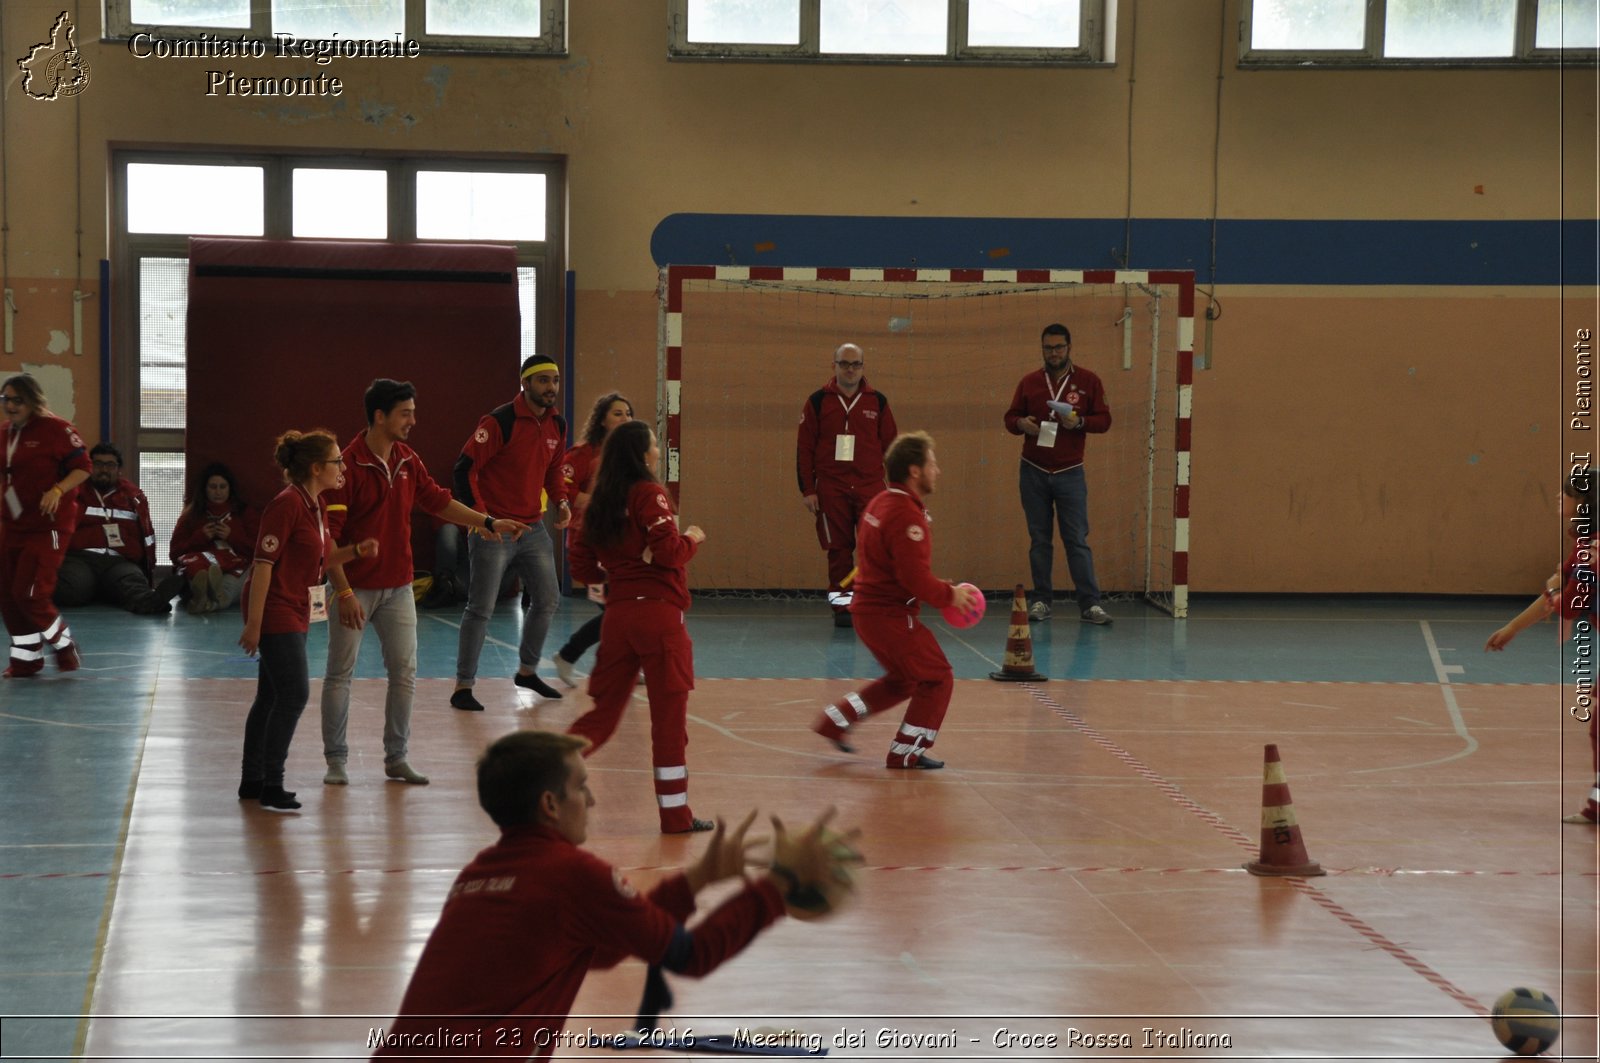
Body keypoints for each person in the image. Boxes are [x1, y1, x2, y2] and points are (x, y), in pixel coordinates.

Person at [370, 730, 856, 1062]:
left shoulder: (479, 875)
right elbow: (692, 956)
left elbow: (597, 954)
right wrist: (778, 889)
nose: (593, 799)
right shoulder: (569, 873)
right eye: (582, 786)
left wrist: (698, 879)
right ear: (550, 804)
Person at [320, 379, 530, 788]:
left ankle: (396, 758)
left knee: (405, 673)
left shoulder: (407, 459)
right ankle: (336, 760)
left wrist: (487, 522)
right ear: (379, 416)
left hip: (399, 588)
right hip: (355, 589)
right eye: (405, 413)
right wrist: (343, 592)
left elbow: (437, 500)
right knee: (339, 673)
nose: (414, 420)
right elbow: (330, 541)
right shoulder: (347, 468)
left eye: (413, 412)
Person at [566, 420, 711, 833]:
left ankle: (543, 772)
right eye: (653, 445)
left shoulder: (597, 501)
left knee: (603, 715)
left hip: (617, 617)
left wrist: (617, 569)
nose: (658, 451)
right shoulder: (649, 493)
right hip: (659, 617)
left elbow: (579, 561)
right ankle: (675, 816)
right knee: (669, 722)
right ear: (641, 454)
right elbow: (667, 552)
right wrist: (693, 539)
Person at [811, 431, 981, 769]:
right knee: (938, 677)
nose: (938, 471)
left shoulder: (881, 501)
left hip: (869, 613)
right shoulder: (906, 515)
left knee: (903, 680)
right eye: (933, 464)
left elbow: (897, 567)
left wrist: (932, 585)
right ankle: (907, 751)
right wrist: (950, 595)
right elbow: (913, 579)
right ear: (915, 471)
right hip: (889, 618)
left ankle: (836, 720)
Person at [238, 429, 376, 812]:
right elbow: (263, 566)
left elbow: (319, 560)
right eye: (336, 461)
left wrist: (355, 551)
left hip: (297, 605)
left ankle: (252, 779)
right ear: (316, 468)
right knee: (294, 694)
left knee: (270, 695)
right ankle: (271, 783)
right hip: (276, 607)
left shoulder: (314, 505)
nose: (341, 467)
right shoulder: (286, 505)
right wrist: (254, 623)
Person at [450, 355, 571, 711]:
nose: (551, 387)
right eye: (543, 380)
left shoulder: (557, 425)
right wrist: (482, 520)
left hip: (533, 529)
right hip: (495, 530)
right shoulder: (499, 421)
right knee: (481, 608)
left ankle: (527, 671)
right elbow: (464, 469)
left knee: (548, 599)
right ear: (525, 383)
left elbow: (553, 471)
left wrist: (561, 501)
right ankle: (462, 686)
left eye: (555, 380)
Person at [1485, 471, 1599, 825]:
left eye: (1564, 493)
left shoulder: (1592, 551)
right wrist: (1513, 628)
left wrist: (1553, 589)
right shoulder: (1584, 544)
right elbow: (1556, 593)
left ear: (1583, 503)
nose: (1557, 497)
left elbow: (1567, 606)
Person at [1003, 322, 1113, 625]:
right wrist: (1020, 425)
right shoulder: (1029, 383)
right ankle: (1041, 601)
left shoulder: (1089, 381)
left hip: (1070, 472)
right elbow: (1009, 417)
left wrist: (1078, 423)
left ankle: (1090, 605)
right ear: (1042, 349)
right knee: (1040, 539)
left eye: (1059, 347)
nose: (1054, 353)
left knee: (1077, 539)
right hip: (1034, 471)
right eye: (1048, 348)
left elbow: (1105, 420)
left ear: (1069, 348)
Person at [796, 342, 897, 628]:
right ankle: (843, 607)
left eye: (856, 364)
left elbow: (892, 448)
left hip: (870, 489)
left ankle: (873, 603)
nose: (850, 369)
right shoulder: (817, 401)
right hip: (832, 488)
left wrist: (897, 489)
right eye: (844, 364)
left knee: (874, 549)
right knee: (839, 550)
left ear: (863, 367)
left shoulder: (877, 401)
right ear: (834, 366)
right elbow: (804, 448)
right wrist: (808, 490)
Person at [0, 374, 91, 677]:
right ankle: (26, 660)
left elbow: (83, 468)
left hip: (47, 527)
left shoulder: (56, 429)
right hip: (12, 525)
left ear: (32, 401)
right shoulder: (4, 433)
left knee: (30, 593)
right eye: (5, 400)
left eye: (16, 400)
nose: (10, 406)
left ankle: (64, 644)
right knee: (10, 596)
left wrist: (56, 491)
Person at [551, 390, 634, 685]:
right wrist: (597, 500)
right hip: (588, 546)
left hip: (616, 544)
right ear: (601, 420)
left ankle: (620, 664)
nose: (625, 418)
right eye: (617, 413)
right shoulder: (584, 453)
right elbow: (562, 487)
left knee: (623, 609)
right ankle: (568, 655)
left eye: (628, 413)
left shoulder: (627, 457)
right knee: (617, 610)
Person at [54, 443, 183, 615]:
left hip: (119, 561)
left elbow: (145, 538)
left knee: (132, 581)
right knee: (75, 586)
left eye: (110, 465)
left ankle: (151, 602)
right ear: (89, 467)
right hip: (80, 558)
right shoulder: (73, 492)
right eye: (98, 464)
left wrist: (146, 569)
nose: (104, 470)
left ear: (119, 469)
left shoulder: (134, 498)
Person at [169, 461, 259, 614]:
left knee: (229, 585)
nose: (218, 492)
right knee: (196, 573)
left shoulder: (245, 513)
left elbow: (259, 549)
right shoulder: (191, 515)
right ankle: (203, 594)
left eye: (222, 487)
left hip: (237, 566)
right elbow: (174, 553)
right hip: (202, 565)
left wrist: (232, 536)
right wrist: (200, 537)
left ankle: (206, 601)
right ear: (205, 489)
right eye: (213, 487)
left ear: (230, 489)